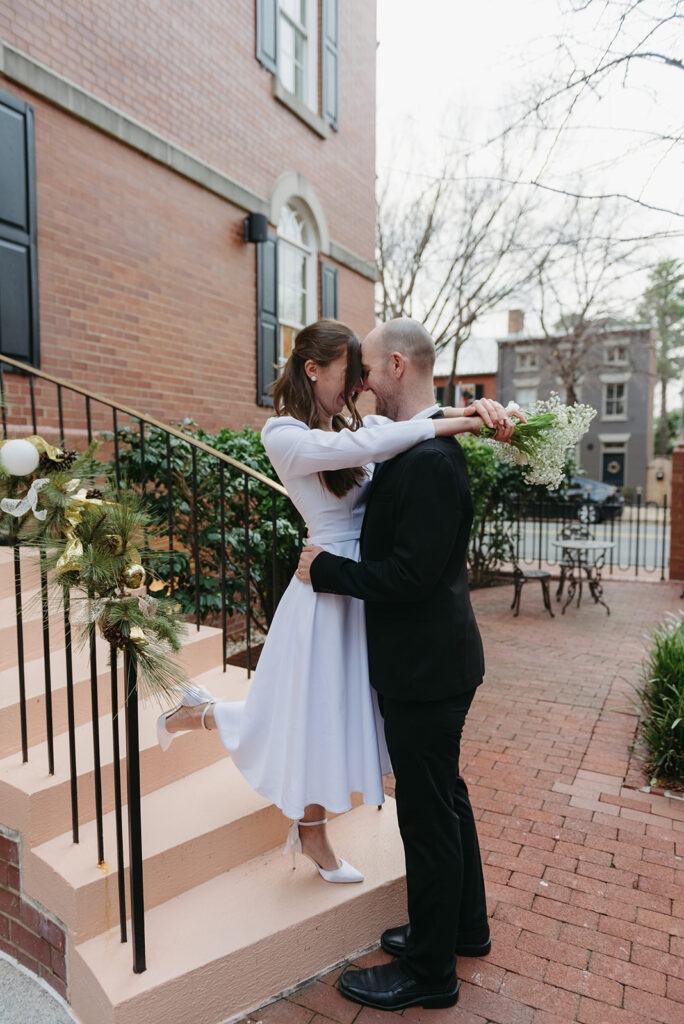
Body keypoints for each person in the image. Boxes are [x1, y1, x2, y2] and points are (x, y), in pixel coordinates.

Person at [157, 318, 518, 886]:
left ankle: (208, 721)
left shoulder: (358, 425)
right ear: (312, 369)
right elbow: (377, 442)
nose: (357, 390)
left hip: (361, 589)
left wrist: (488, 414)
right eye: (348, 377)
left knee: (326, 716)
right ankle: (306, 823)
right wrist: (465, 422)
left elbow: (408, 426)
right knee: (308, 715)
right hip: (323, 593)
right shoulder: (284, 434)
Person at [296, 317, 515, 1010]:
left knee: (426, 817)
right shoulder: (421, 443)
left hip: (426, 668)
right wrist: (473, 413)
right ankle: (463, 928)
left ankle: (430, 972)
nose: (358, 381)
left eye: (364, 368)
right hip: (435, 662)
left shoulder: (427, 461)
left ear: (395, 365)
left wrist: (328, 571)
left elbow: (410, 578)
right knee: (446, 798)